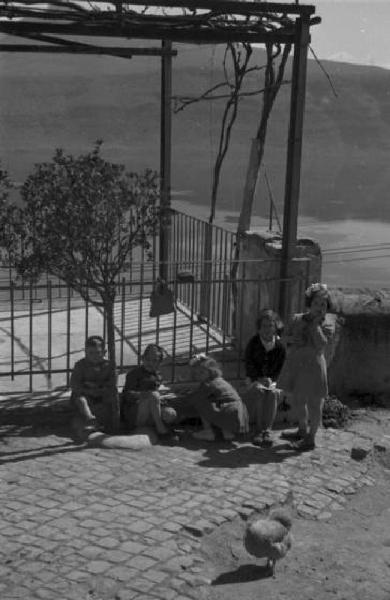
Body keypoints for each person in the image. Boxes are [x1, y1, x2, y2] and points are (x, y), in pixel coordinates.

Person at [278, 283, 335, 451]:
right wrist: (290, 340)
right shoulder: (296, 318)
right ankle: (302, 430)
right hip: (297, 365)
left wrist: (314, 325)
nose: (320, 307)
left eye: (323, 304)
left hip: (314, 368)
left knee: (315, 404)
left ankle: (311, 438)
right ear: (309, 303)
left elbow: (321, 344)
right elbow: (283, 338)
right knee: (298, 400)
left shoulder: (328, 323)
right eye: (316, 303)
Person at [243, 309, 286, 447]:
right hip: (255, 379)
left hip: (272, 381)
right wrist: (259, 378)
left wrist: (271, 379)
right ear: (259, 328)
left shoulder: (280, 347)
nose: (267, 329)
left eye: (270, 326)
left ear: (275, 327)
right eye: (264, 326)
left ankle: (267, 430)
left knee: (272, 394)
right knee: (260, 392)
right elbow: (249, 364)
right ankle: (259, 429)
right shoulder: (253, 343)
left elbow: (281, 368)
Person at [188, 354, 249, 442]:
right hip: (240, 412)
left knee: (199, 401)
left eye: (202, 372)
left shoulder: (208, 384)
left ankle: (208, 431)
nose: (198, 376)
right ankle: (227, 431)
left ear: (211, 371)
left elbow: (195, 396)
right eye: (196, 373)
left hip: (229, 411)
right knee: (216, 401)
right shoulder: (221, 380)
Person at [121, 344, 176, 438]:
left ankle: (156, 426)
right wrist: (144, 394)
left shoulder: (158, 375)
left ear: (159, 362)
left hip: (152, 408)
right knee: (154, 395)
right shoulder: (134, 374)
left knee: (170, 414)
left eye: (154, 360)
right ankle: (161, 431)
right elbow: (127, 394)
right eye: (147, 359)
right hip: (136, 411)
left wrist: (162, 396)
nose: (150, 363)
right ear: (143, 359)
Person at [70, 335, 117, 435]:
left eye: (98, 353)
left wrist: (99, 388)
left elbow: (112, 383)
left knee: (112, 399)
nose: (94, 356)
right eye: (91, 353)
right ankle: (89, 417)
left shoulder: (109, 365)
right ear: (85, 352)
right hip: (86, 394)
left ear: (104, 352)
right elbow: (74, 385)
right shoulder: (80, 365)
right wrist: (87, 390)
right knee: (80, 400)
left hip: (102, 394)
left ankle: (109, 424)